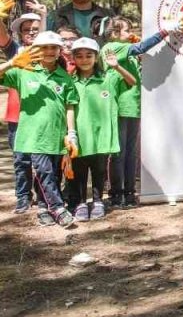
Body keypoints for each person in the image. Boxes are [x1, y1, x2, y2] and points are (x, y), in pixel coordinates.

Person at [1, 31, 79, 227]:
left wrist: (71, 133)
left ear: (60, 51)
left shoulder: (64, 76)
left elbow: (70, 105)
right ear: (35, 50)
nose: (50, 51)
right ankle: (58, 207)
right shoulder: (24, 71)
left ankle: (44, 208)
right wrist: (11, 63)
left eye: (54, 48)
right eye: (45, 47)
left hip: (56, 135)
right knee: (44, 171)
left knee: (52, 173)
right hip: (33, 136)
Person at [100, 17, 174, 208]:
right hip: (120, 107)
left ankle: (129, 192)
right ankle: (116, 193)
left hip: (133, 107)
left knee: (131, 153)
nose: (130, 33)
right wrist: (164, 32)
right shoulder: (112, 47)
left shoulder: (125, 51)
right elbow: (141, 47)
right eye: (126, 30)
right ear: (115, 33)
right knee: (118, 152)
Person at [65, 38, 135, 220]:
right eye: (79, 56)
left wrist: (117, 66)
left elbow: (132, 81)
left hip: (102, 136)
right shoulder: (70, 80)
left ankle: (97, 201)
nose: (84, 59)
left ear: (96, 57)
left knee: (99, 171)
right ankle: (80, 202)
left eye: (89, 55)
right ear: (73, 58)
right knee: (79, 171)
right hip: (80, 135)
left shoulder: (108, 77)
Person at [6, 12, 42, 212]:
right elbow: (3, 38)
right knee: (21, 159)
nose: (31, 33)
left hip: (42, 115)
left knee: (43, 160)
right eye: (26, 30)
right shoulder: (16, 51)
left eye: (35, 29)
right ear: (20, 33)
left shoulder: (50, 51)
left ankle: (43, 195)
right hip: (17, 115)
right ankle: (23, 196)